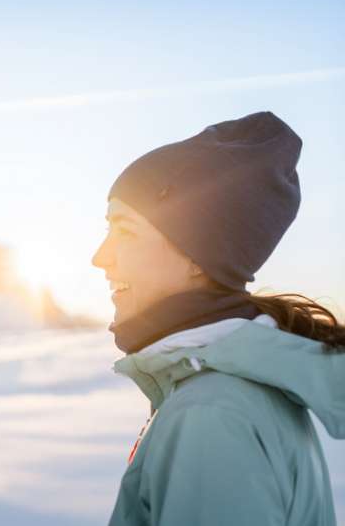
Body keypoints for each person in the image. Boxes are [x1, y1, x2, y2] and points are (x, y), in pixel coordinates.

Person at [91, 111, 344, 525]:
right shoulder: (234, 392)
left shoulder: (212, 415)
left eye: (125, 231)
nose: (100, 257)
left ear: (198, 255)